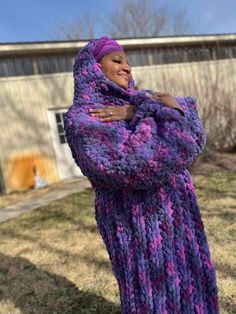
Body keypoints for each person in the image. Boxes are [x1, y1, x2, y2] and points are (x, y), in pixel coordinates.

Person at [64, 36, 219, 313]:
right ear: (94, 68)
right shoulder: (85, 118)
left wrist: (138, 110)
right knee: (154, 299)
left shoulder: (138, 101)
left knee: (192, 292)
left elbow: (193, 134)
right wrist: (159, 112)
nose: (127, 67)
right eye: (117, 60)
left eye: (127, 61)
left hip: (179, 217)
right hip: (139, 227)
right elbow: (137, 161)